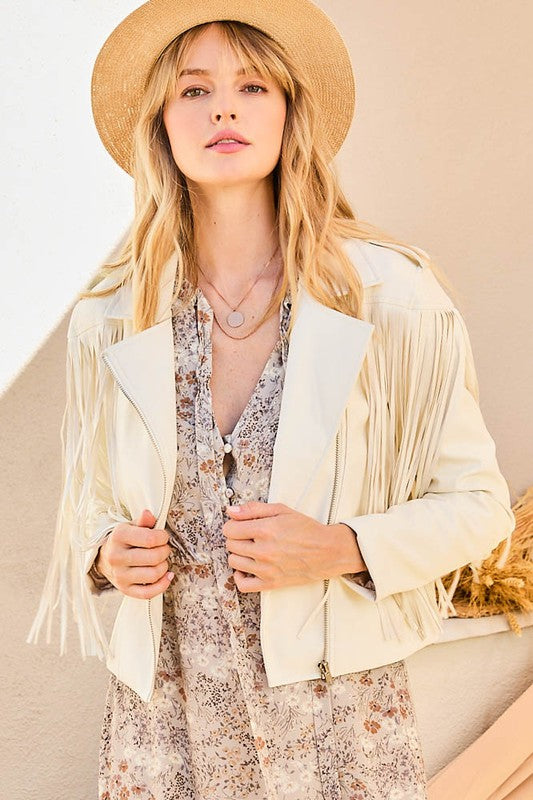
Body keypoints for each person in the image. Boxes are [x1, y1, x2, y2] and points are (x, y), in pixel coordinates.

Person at [26, 2, 516, 798]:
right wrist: (107, 554)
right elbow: (92, 503)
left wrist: (342, 546)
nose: (223, 108)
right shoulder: (113, 314)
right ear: (161, 124)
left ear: (290, 112)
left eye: (252, 86)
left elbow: (477, 505)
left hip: (337, 723)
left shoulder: (390, 295)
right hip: (163, 725)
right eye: (193, 90)